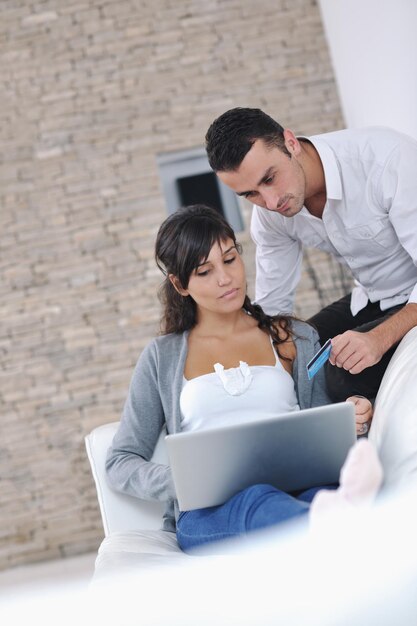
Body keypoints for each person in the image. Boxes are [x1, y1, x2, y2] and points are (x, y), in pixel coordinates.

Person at [106, 204, 382, 553]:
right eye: (205, 271)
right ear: (180, 284)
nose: (226, 278)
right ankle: (338, 522)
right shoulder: (162, 357)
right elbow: (121, 461)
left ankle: (327, 520)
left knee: (313, 496)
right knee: (256, 499)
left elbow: (321, 420)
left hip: (298, 490)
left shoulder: (292, 336)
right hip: (211, 514)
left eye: (230, 259)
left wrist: (351, 418)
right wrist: (182, 479)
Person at [205, 108, 417, 402]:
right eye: (250, 194)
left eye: (269, 178)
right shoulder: (270, 215)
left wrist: (378, 338)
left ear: (290, 142)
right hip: (372, 295)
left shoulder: (386, 160)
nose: (269, 201)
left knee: (340, 374)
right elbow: (272, 309)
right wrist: (254, 359)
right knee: (300, 348)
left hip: (412, 296)